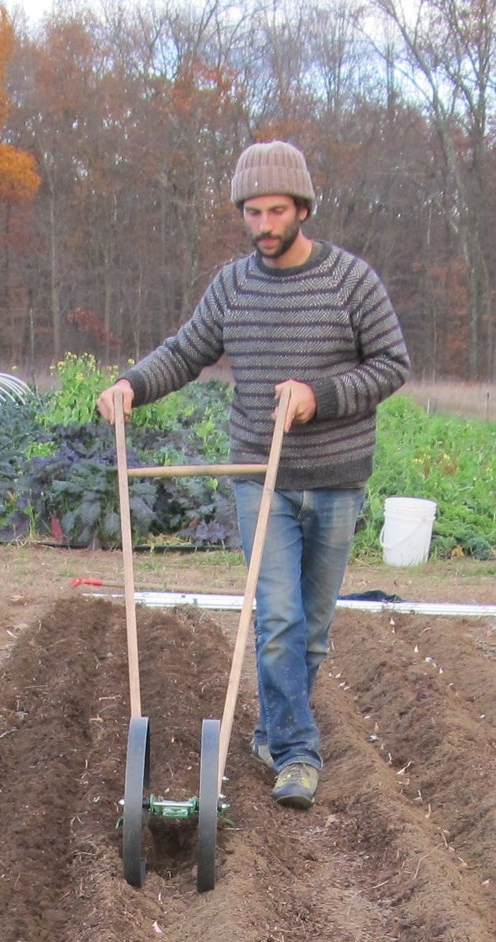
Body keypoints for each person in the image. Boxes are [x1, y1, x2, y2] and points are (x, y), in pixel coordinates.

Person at [96, 140, 410, 810]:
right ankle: (298, 753)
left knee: (312, 629)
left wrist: (317, 394)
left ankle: (273, 730)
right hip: (259, 477)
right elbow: (186, 351)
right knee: (277, 621)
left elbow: (391, 365)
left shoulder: (350, 281)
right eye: (252, 213)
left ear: (302, 208)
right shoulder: (234, 285)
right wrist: (130, 386)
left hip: (334, 478)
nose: (264, 225)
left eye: (276, 211)